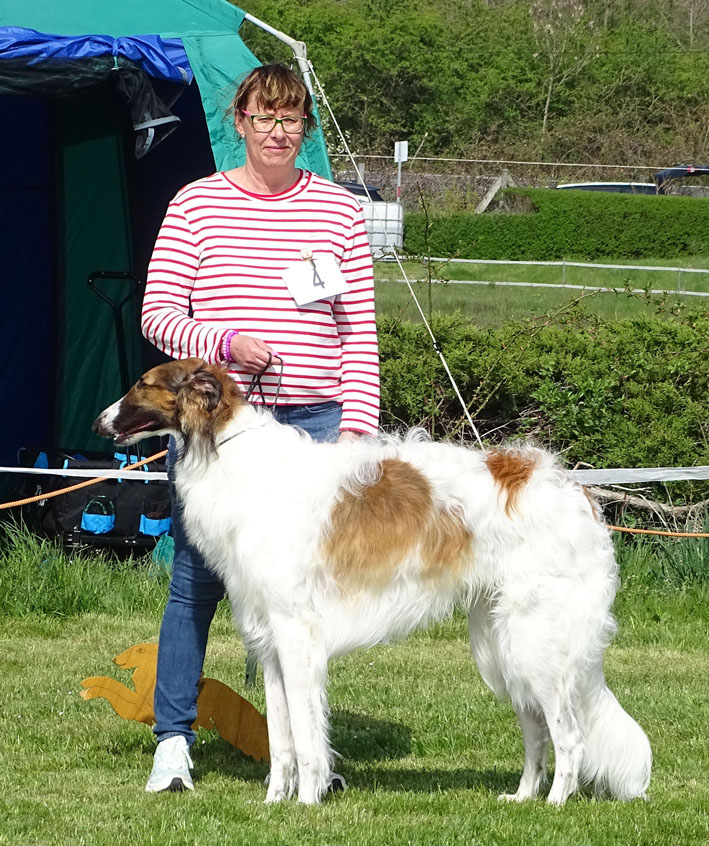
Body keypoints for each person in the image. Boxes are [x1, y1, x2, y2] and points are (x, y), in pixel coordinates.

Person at [140, 64, 380, 792]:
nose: (278, 131)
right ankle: (172, 741)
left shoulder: (339, 211)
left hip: (316, 424)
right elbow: (157, 315)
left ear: (305, 128)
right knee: (195, 584)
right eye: (264, 117)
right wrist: (224, 342)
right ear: (239, 122)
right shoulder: (195, 204)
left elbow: (358, 332)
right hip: (224, 430)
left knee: (303, 599)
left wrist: (358, 433)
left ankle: (307, 757)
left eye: (291, 119)